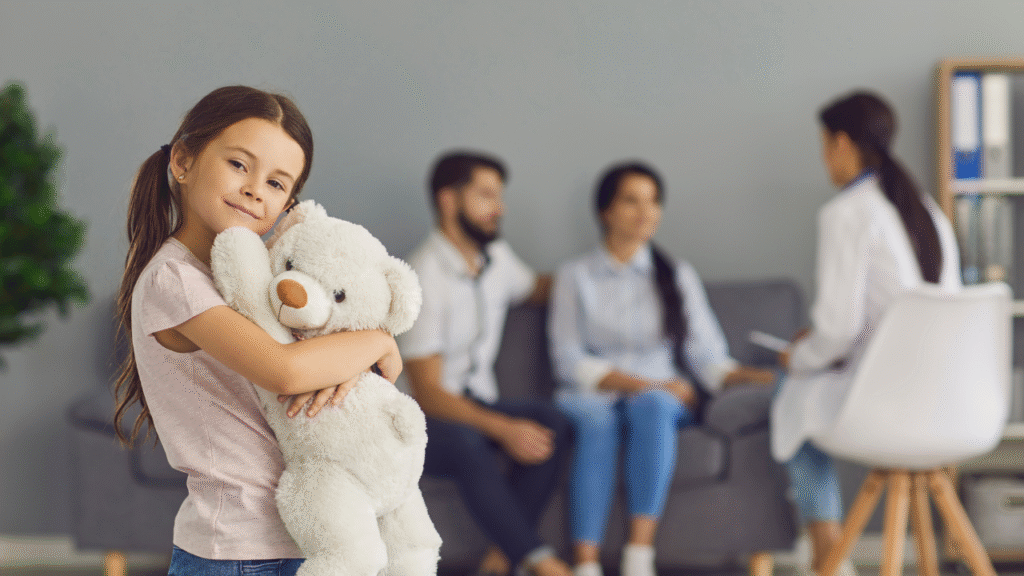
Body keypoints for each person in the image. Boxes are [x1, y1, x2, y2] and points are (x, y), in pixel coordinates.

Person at [113, 85, 404, 576]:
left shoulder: (261, 284)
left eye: (277, 183)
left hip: (304, 535)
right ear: (182, 161)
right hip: (239, 550)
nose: (254, 189)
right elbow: (284, 372)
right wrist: (378, 339)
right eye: (239, 165)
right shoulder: (174, 280)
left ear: (290, 203)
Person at [547, 161, 776, 576]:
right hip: (593, 395)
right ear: (606, 211)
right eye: (632, 201)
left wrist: (755, 376)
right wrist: (643, 383)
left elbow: (707, 356)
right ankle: (586, 564)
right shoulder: (574, 276)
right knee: (598, 423)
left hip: (659, 400)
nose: (645, 212)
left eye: (653, 202)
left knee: (652, 406)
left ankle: (639, 556)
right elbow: (569, 359)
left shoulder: (677, 275)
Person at [771, 91, 961, 575]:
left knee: (790, 388)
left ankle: (826, 552)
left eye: (823, 145)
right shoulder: (925, 210)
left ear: (840, 143)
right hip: (948, 400)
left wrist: (799, 357)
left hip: (888, 402)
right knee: (807, 384)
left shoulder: (846, 213)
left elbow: (836, 330)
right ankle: (827, 552)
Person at [398, 151, 574, 576]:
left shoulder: (496, 259)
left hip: (475, 401)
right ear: (449, 200)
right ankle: (542, 562)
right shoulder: (422, 276)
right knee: (468, 443)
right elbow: (429, 394)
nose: (500, 207)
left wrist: (589, 280)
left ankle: (501, 557)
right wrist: (504, 429)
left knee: (555, 422)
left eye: (499, 196)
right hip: (424, 418)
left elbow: (537, 287)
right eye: (486, 195)